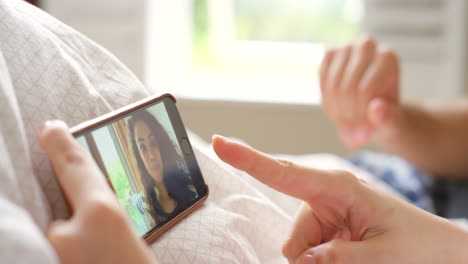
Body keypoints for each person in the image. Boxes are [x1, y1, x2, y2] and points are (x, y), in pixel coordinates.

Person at [41, 120, 468, 264]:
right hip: (387, 194)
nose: (150, 153)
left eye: (152, 142)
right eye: (140, 147)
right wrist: (449, 245)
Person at [127, 109, 198, 225]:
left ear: (162, 145)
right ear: (140, 158)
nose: (151, 156)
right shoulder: (143, 202)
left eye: (153, 143)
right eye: (143, 148)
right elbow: (134, 200)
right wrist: (129, 198)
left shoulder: (191, 183)